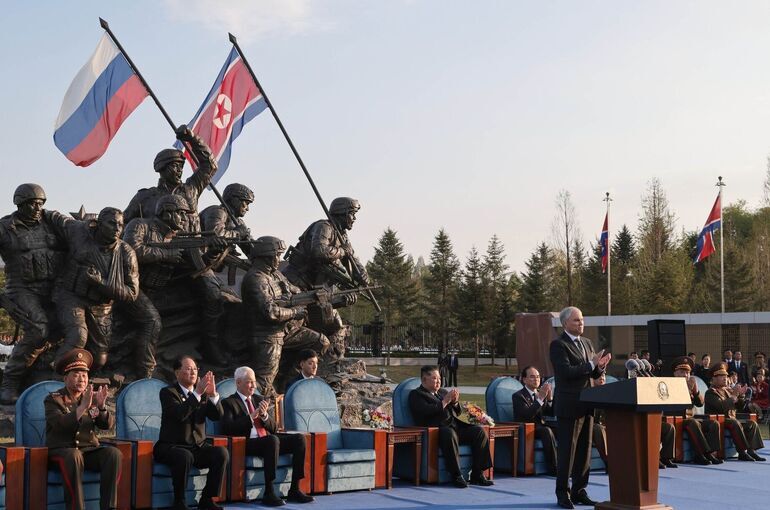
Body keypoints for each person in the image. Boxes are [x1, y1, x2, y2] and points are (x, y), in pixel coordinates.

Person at [0, 184, 67, 404]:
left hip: (51, 288)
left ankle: (45, 376)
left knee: (67, 327)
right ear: (19, 203)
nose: (37, 207)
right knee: (39, 328)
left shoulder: (51, 225)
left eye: (41, 203)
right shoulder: (5, 227)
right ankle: (10, 382)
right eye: (32, 203)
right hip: (21, 288)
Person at [50, 207, 139, 372]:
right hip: (72, 296)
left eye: (120, 224)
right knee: (78, 335)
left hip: (101, 305)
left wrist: (101, 283)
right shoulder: (79, 232)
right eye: (111, 223)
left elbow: (132, 293)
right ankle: (58, 377)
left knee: (99, 359)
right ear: (98, 224)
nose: (117, 228)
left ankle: (81, 380)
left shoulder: (127, 253)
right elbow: (54, 217)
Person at [241, 236, 331, 397]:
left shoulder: (275, 275)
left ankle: (290, 385)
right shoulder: (255, 279)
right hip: (267, 335)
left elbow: (295, 292)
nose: (279, 259)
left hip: (287, 330)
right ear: (266, 256)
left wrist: (319, 295)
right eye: (277, 255)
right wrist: (295, 312)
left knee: (321, 342)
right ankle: (254, 410)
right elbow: (271, 312)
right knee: (264, 383)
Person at [281, 197, 368, 357]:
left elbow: (353, 260)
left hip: (315, 289)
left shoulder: (342, 235)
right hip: (297, 284)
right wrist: (343, 251)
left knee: (334, 324)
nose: (354, 219)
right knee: (313, 325)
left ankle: (328, 363)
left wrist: (362, 275)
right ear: (343, 213)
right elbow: (319, 251)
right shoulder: (324, 227)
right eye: (352, 214)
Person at [220, 366, 314, 507]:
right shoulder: (228, 402)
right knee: (272, 440)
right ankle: (269, 492)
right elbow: (228, 429)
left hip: (268, 442)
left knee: (299, 439)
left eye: (254, 382)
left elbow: (274, 428)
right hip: (246, 444)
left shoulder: (259, 399)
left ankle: (295, 489)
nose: (253, 386)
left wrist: (264, 416)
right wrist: (251, 417)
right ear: (238, 382)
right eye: (249, 382)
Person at [549, 306, 611, 509]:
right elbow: (566, 372)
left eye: (582, 319)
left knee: (584, 452)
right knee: (568, 452)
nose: (581, 323)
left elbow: (590, 375)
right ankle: (562, 494)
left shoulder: (587, 343)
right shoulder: (558, 345)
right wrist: (591, 365)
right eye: (576, 320)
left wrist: (600, 367)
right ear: (565, 323)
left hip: (587, 405)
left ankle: (579, 490)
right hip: (569, 406)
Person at [45, 348, 122, 510]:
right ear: (66, 378)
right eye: (76, 375)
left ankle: (109, 507)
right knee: (73, 455)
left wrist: (101, 407)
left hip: (87, 451)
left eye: (85, 375)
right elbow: (59, 425)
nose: (82, 379)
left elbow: (105, 425)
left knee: (113, 453)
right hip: (62, 451)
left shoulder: (91, 400)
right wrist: (81, 408)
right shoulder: (54, 400)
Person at [153, 356, 229, 510]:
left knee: (221, 453)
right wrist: (198, 394)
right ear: (177, 372)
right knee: (184, 456)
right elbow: (180, 415)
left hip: (197, 447)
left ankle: (207, 498)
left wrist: (213, 395)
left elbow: (216, 417)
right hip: (171, 446)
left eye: (195, 369)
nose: (193, 372)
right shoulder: (168, 392)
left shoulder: (202, 395)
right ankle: (179, 501)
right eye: (188, 369)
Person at [408, 365, 493, 488]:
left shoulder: (442, 392)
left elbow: (457, 413)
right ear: (424, 380)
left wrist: (455, 402)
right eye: (435, 378)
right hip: (436, 431)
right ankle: (456, 475)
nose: (438, 381)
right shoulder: (416, 394)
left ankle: (478, 473)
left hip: (454, 427)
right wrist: (445, 402)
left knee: (478, 431)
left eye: (439, 378)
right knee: (449, 433)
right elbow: (426, 411)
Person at [124, 125, 217, 232]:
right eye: (175, 166)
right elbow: (123, 223)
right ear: (162, 167)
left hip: (192, 247)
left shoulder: (191, 189)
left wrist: (193, 138)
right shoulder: (144, 197)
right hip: (159, 248)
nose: (179, 170)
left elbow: (210, 165)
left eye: (181, 167)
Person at [705, 362, 765, 462]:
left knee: (751, 423)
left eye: (725, 376)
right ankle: (742, 452)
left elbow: (740, 407)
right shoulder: (711, 392)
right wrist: (734, 396)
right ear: (714, 378)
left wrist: (741, 396)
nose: (725, 378)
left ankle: (751, 451)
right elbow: (721, 407)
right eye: (721, 376)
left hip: (731, 419)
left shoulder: (727, 390)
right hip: (719, 421)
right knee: (735, 423)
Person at [668, 356, 723, 465]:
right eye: (682, 372)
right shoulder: (670, 385)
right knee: (693, 423)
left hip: (690, 418)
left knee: (713, 424)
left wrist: (696, 391)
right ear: (675, 373)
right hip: (677, 419)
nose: (685, 375)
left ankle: (711, 453)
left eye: (688, 372)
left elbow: (700, 403)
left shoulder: (691, 384)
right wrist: (688, 390)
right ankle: (700, 454)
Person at [512, 366, 556, 475]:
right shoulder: (518, 396)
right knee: (546, 431)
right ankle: (554, 468)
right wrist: (541, 398)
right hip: (528, 428)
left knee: (566, 427)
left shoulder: (540, 393)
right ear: (524, 379)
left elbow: (550, 413)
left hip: (542, 427)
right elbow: (527, 415)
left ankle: (570, 465)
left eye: (538, 377)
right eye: (532, 377)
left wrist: (549, 399)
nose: (536, 379)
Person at [199, 183, 253, 257]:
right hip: (202, 257)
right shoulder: (217, 211)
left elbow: (251, 249)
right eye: (246, 203)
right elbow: (217, 235)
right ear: (234, 199)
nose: (247, 208)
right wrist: (238, 233)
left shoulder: (238, 222)